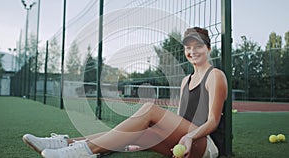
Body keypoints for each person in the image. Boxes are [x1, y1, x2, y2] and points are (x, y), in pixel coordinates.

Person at [22, 27, 227, 158]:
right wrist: (146, 140)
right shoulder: (185, 81)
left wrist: (190, 137)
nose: (192, 52)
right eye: (187, 48)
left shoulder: (215, 75)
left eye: (198, 46)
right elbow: (182, 119)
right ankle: (64, 144)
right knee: (137, 133)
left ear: (208, 48)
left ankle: (80, 152)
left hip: (205, 146)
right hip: (185, 141)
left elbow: (212, 122)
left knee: (149, 110)